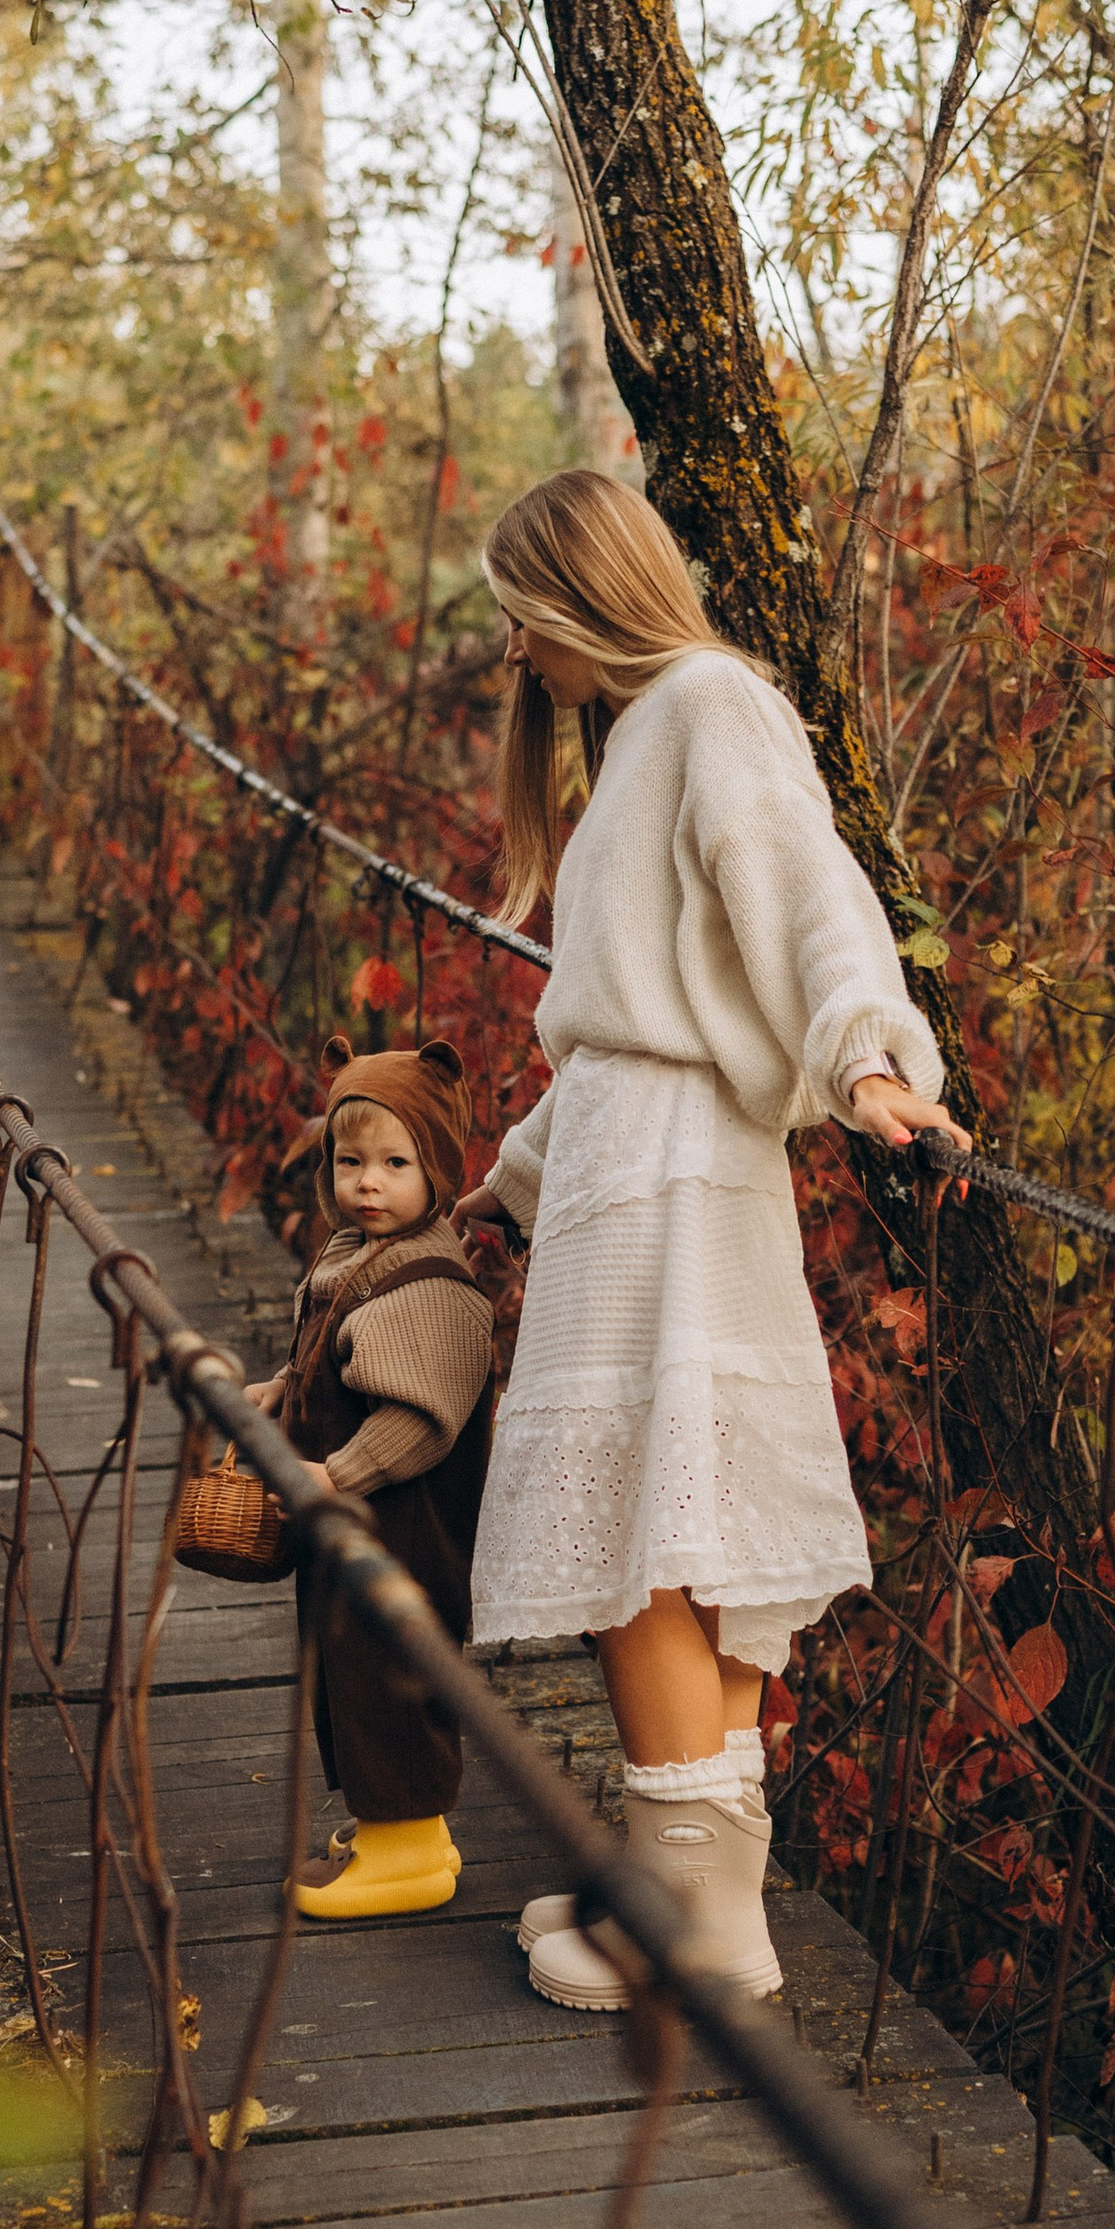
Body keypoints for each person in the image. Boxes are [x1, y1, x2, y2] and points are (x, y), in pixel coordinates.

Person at [449, 468, 970, 2011]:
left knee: (650, 1548)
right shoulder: (647, 735)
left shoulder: (706, 705)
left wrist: (872, 1054)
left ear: (563, 597)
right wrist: (514, 1174)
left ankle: (686, 1925)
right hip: (645, 1160)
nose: (514, 659)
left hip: (672, 1179)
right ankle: (702, 1909)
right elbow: (640, 1013)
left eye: (515, 623)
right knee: (685, 1531)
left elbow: (810, 896)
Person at [246, 1038, 496, 1920]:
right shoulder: (353, 1255)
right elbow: (332, 1365)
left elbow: (418, 1418)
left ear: (437, 1170)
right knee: (345, 1665)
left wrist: (339, 1470)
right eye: (350, 1162)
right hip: (352, 1524)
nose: (368, 1182)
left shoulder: (427, 1285)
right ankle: (397, 1824)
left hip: (401, 1527)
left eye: (397, 1163)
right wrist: (283, 1390)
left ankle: (409, 1849)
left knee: (389, 1664)